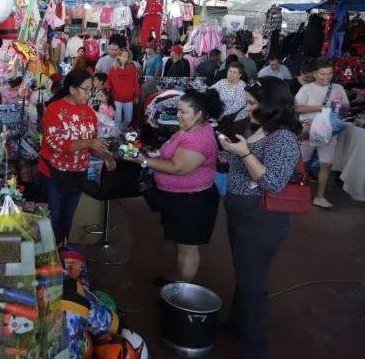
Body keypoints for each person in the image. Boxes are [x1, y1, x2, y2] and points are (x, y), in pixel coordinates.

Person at [218, 76, 301, 359]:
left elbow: (273, 182)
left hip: (260, 220)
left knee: (253, 285)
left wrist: (243, 154)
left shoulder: (283, 139)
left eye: (252, 103)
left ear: (271, 105)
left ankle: (253, 347)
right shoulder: (258, 128)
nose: (247, 107)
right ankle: (235, 325)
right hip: (241, 215)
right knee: (244, 276)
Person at [127, 89, 223, 283]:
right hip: (180, 198)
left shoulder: (199, 138)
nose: (178, 115)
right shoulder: (188, 129)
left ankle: (183, 292)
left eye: (183, 112)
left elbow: (178, 167)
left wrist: (143, 161)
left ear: (200, 114)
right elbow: (172, 152)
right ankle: (179, 282)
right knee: (181, 245)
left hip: (193, 202)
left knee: (187, 248)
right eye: (178, 110)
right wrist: (156, 154)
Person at [39, 69, 115, 243]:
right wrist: (87, 143)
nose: (89, 94)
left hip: (77, 174)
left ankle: (62, 254)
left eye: (91, 90)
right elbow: (55, 142)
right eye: (86, 89)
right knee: (53, 218)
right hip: (53, 174)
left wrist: (104, 156)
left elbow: (92, 144)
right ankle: (48, 258)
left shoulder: (88, 112)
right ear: (72, 89)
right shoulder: (54, 109)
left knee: (67, 218)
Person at [295, 59, 350, 208]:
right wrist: (318, 108)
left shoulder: (338, 88)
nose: (326, 77)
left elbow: (343, 111)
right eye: (322, 74)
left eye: (329, 73)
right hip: (307, 132)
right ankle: (300, 192)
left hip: (329, 133)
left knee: (326, 165)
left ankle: (320, 196)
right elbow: (296, 108)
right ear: (315, 74)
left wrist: (338, 106)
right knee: (302, 165)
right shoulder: (307, 89)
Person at [211, 62, 250, 140]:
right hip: (222, 114)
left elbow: (239, 104)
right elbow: (211, 90)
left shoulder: (242, 86)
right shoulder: (222, 82)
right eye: (230, 71)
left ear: (239, 75)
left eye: (234, 72)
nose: (231, 74)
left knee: (229, 138)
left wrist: (224, 113)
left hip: (236, 118)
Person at [106, 48, 140, 130]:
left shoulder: (132, 68)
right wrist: (107, 93)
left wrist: (136, 96)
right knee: (117, 120)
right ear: (119, 56)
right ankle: (116, 135)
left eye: (127, 57)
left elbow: (135, 82)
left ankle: (120, 131)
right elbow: (108, 83)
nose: (126, 59)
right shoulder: (112, 69)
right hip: (117, 99)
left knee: (128, 119)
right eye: (124, 56)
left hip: (129, 99)